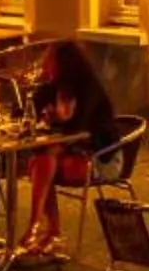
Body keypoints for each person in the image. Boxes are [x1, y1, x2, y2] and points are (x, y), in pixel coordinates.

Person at [21, 39, 118, 257]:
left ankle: (38, 227)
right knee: (41, 161)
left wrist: (55, 126)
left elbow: (81, 129)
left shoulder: (89, 89)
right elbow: (24, 116)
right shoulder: (50, 89)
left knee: (43, 163)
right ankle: (48, 231)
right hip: (67, 153)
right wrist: (33, 100)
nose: (44, 65)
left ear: (64, 64)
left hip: (101, 157)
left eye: (49, 61)